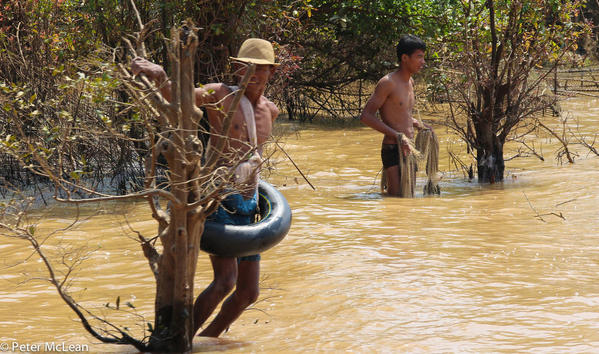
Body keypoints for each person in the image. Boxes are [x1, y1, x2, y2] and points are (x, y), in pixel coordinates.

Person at [131, 38, 279, 337]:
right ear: (238, 69)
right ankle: (182, 341)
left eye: (263, 69)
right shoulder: (220, 94)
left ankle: (208, 340)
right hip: (219, 198)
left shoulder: (271, 110)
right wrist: (160, 75)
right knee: (225, 281)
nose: (257, 75)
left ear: (271, 73)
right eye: (250, 68)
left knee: (248, 293)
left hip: (249, 201)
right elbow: (180, 97)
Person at [359, 34, 433, 197]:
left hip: (409, 147)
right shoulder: (388, 82)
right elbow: (366, 116)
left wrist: (419, 124)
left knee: (409, 197)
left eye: (423, 57)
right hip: (393, 147)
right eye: (419, 57)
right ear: (405, 58)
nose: (423, 62)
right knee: (396, 198)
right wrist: (398, 136)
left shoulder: (410, 82)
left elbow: (403, 115)